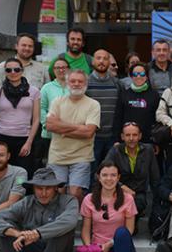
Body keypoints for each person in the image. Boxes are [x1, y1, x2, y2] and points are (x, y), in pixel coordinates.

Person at [78, 162, 143, 252]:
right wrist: (92, 249)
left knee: (121, 232)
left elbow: (129, 230)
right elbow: (85, 229)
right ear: (98, 177)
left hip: (121, 247)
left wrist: (109, 245)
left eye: (113, 175)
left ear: (118, 177)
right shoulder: (89, 199)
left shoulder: (127, 199)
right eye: (105, 175)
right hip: (100, 250)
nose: (109, 179)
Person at [46, 69, 101, 203]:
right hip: (57, 155)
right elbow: (50, 126)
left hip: (81, 155)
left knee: (75, 192)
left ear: (86, 83)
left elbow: (88, 132)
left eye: (80, 81)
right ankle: (61, 221)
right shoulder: (57, 102)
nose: (76, 84)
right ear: (67, 83)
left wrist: (62, 128)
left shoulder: (93, 104)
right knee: (58, 192)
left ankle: (80, 219)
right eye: (73, 81)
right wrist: (79, 127)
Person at [0, 58, 40, 175]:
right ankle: (4, 193)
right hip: (2, 137)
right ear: (5, 72)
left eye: (16, 69)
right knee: (3, 171)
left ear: (22, 71)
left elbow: (36, 119)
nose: (13, 73)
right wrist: (1, 118)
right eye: (9, 70)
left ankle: (20, 193)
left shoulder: (33, 91)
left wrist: (29, 142)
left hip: (24, 138)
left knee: (23, 173)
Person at [105, 122, 160, 224]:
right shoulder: (116, 150)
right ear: (122, 137)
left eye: (134, 135)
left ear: (140, 136)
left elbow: (155, 178)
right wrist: (121, 187)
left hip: (138, 194)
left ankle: (132, 225)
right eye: (127, 135)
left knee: (139, 202)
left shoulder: (148, 150)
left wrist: (158, 202)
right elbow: (101, 174)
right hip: (116, 191)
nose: (131, 138)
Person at [87, 49, 122, 173]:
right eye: (98, 58)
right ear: (93, 61)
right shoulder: (86, 82)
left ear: (109, 62)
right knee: (92, 173)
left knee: (111, 173)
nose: (101, 61)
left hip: (112, 137)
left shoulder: (117, 83)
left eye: (105, 58)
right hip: (92, 137)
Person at [112, 62, 160, 143]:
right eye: (135, 74)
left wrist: (156, 143)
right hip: (127, 140)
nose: (138, 76)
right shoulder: (124, 94)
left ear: (146, 76)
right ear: (131, 76)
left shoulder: (154, 95)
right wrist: (117, 140)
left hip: (148, 141)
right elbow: (118, 118)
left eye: (142, 74)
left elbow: (158, 119)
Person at [40, 58, 70, 160]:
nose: (61, 70)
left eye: (64, 67)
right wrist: (47, 124)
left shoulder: (74, 86)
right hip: (50, 135)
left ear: (68, 69)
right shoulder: (46, 88)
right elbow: (41, 108)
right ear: (53, 70)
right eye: (58, 68)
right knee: (51, 166)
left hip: (70, 135)